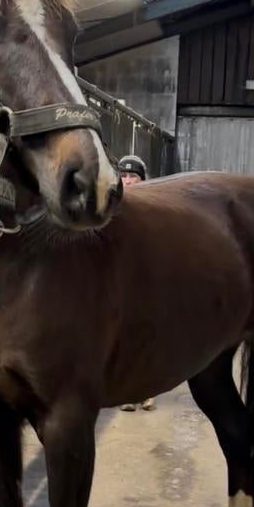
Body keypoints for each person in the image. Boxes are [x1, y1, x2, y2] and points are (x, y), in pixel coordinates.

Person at [117, 155, 155, 413]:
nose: (129, 181)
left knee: (146, 338)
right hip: (120, 285)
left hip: (146, 285)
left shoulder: (153, 209)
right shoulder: (110, 207)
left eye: (134, 176)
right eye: (125, 176)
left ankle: (148, 391)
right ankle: (127, 393)